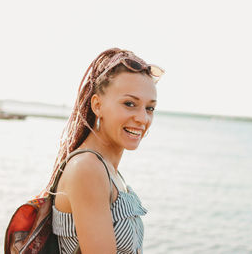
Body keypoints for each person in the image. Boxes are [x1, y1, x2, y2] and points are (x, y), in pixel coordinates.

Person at [44, 48, 164, 254]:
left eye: (149, 108)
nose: (143, 118)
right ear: (97, 105)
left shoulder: (108, 171)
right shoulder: (88, 168)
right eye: (129, 104)